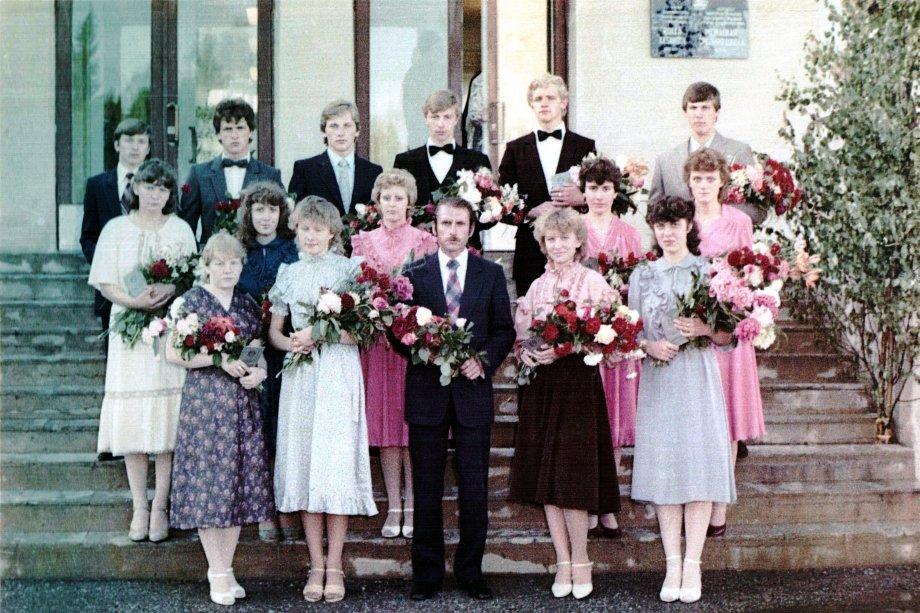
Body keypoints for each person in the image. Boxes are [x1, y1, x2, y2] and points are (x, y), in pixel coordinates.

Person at [392, 197, 515, 602]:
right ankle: (426, 574)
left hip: (472, 394)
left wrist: (483, 362)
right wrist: (423, 349)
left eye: (461, 224)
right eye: (446, 223)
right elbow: (399, 332)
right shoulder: (413, 274)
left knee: (474, 487)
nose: (453, 231)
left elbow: (504, 330)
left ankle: (470, 572)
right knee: (426, 486)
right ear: (434, 228)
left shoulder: (490, 273)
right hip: (427, 393)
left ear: (472, 228)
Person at [268, 196, 377, 603]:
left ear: (332, 232)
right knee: (306, 464)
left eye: (317, 229)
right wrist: (292, 343)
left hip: (337, 372)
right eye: (304, 229)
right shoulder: (288, 273)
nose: (310, 236)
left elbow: (363, 332)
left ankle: (335, 564)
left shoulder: (349, 271)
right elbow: (275, 332)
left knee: (334, 464)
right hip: (302, 375)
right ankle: (316, 564)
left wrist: (320, 334)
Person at [628, 196, 736, 604]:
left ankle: (693, 563)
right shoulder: (642, 274)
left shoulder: (709, 271)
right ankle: (672, 562)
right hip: (659, 378)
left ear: (689, 226)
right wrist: (648, 346)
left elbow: (729, 335)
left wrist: (705, 328)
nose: (668, 232)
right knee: (665, 469)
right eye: (661, 225)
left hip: (697, 377)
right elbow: (629, 330)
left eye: (675, 224)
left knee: (698, 467)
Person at [509, 208, 620, 600]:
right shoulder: (537, 285)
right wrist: (526, 353)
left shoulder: (592, 281)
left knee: (572, 477)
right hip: (543, 386)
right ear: (543, 244)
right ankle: (562, 561)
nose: (557, 245)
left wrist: (569, 347)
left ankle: (582, 559)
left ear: (578, 242)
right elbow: (522, 336)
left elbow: (609, 334)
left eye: (564, 238)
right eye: (550, 239)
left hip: (577, 384)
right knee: (548, 479)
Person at [86, 158, 197, 543]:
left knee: (166, 418)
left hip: (170, 326)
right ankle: (140, 505)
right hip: (129, 329)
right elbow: (104, 281)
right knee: (134, 418)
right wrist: (134, 301)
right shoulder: (116, 229)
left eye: (162, 188)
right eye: (149, 187)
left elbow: (190, 277)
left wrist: (170, 290)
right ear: (135, 188)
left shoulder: (180, 229)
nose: (155, 195)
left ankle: (161, 505)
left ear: (170, 194)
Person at [166, 232, 274, 606]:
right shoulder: (191, 302)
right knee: (210, 487)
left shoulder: (246, 304)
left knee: (235, 487)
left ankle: (225, 569)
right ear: (207, 266)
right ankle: (217, 571)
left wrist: (258, 372)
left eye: (234, 263)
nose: (227, 270)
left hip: (241, 406)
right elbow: (174, 354)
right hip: (206, 405)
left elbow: (255, 350)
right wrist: (217, 360)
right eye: (220, 263)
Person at [350, 169, 438, 539]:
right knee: (386, 427)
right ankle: (394, 505)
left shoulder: (426, 241)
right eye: (386, 197)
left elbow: (432, 293)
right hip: (377, 345)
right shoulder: (361, 242)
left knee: (411, 426)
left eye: (399, 197)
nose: (392, 204)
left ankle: (414, 504)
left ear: (410, 203)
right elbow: (355, 293)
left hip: (412, 345)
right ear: (377, 202)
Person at [686, 148, 765, 535]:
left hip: (728, 333)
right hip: (693, 333)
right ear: (688, 183)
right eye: (696, 179)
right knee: (698, 422)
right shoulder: (681, 220)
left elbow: (751, 275)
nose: (703, 186)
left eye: (710, 179)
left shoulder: (739, 221)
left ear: (722, 182)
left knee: (729, 421)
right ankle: (695, 500)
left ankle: (719, 507)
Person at [578, 156, 643, 539]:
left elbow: (637, 289)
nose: (599, 195)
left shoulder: (630, 234)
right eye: (593, 188)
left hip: (618, 343)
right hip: (585, 340)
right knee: (589, 425)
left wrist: (624, 333)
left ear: (616, 192)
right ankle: (588, 504)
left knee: (615, 425)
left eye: (605, 188)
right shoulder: (574, 229)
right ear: (583, 192)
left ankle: (608, 504)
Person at [235, 181, 300, 542]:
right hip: (247, 347)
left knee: (280, 425)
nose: (265, 217)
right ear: (249, 213)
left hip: (283, 346)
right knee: (253, 423)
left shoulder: (291, 251)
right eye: (258, 209)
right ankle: (259, 508)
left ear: (281, 213)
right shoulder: (239, 250)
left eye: (272, 210)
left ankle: (282, 507)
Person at [498, 73, 596, 296]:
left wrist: (582, 198)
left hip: (574, 250)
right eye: (538, 98)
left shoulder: (584, 146)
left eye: (550, 98)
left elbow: (603, 195)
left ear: (564, 103)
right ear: (531, 104)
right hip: (530, 251)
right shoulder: (515, 149)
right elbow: (499, 205)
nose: (544, 103)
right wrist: (531, 211)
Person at [80, 118, 151, 347]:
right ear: (117, 145)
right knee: (114, 351)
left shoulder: (159, 186)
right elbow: (88, 237)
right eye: (129, 140)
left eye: (141, 141)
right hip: (112, 287)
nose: (135, 147)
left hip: (150, 284)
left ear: (148, 148)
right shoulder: (97, 185)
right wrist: (110, 269)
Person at [393, 89, 492, 250]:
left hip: (466, 251)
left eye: (447, 117)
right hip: (418, 250)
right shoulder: (405, 161)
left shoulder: (477, 160)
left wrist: (464, 228)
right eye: (435, 117)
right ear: (426, 118)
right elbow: (396, 208)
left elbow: (490, 213)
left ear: (456, 119)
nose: (440, 124)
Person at [647, 82, 759, 223]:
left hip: (724, 234)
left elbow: (756, 210)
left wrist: (720, 220)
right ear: (685, 113)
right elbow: (653, 210)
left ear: (717, 112)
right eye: (693, 108)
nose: (699, 114)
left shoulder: (739, 152)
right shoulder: (665, 160)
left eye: (705, 108)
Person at [179, 98, 283, 245]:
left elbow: (282, 225)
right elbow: (186, 227)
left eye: (240, 128)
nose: (234, 135)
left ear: (251, 132)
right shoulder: (198, 174)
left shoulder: (270, 175)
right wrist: (201, 254)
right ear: (218, 134)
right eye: (228, 129)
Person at [288, 100, 382, 216]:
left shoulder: (373, 172)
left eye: (347, 126)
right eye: (334, 126)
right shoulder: (305, 170)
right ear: (324, 131)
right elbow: (296, 216)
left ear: (357, 131)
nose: (340, 133)